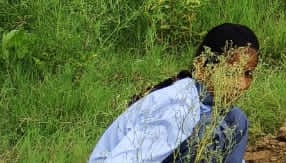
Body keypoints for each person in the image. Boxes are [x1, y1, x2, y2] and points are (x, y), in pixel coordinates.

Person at [90, 24, 260, 163]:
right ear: (202, 67)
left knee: (235, 120)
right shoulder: (178, 106)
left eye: (248, 74)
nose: (241, 84)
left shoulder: (226, 115)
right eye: (231, 73)